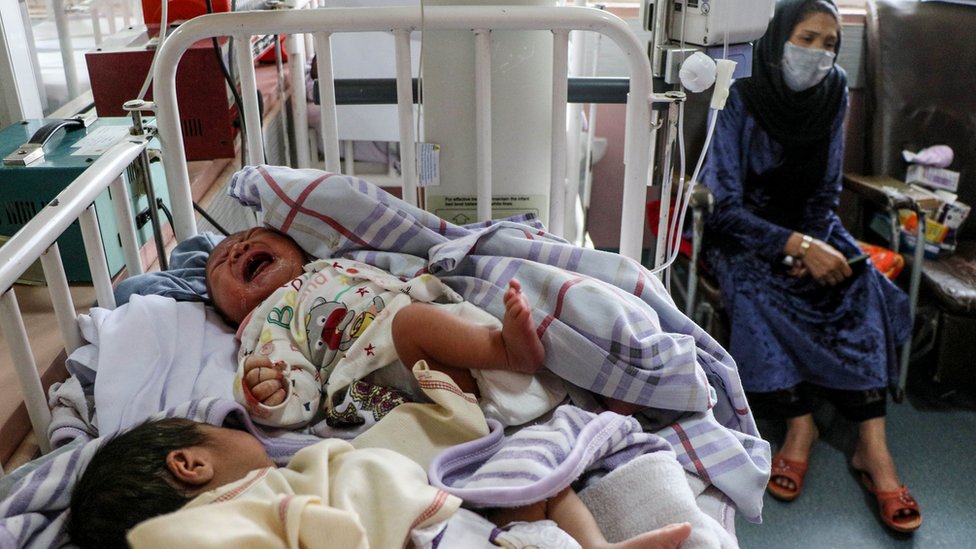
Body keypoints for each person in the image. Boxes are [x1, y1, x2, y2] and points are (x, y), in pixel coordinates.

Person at [698, 0, 920, 533]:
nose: (818, 53)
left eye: (830, 44)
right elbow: (722, 206)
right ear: (779, 37)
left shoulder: (834, 90)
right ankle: (800, 425)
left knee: (858, 280)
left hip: (811, 225)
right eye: (807, 38)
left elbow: (825, 191)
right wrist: (793, 246)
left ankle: (873, 447)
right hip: (743, 232)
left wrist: (817, 244)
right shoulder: (741, 88)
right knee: (754, 289)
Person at [66, 416, 693, 549]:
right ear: (190, 464)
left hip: (455, 528)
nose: (234, 427)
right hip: (429, 536)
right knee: (537, 487)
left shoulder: (281, 481)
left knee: (534, 489)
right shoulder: (241, 508)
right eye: (216, 429)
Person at [205, 227, 567, 429]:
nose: (238, 249)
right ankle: (509, 352)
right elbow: (294, 380)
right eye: (222, 261)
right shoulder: (269, 321)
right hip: (392, 370)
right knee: (411, 324)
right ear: (230, 316)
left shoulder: (331, 263)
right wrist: (271, 392)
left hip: (439, 334)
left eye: (250, 236)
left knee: (429, 318)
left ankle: (514, 355)